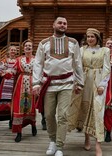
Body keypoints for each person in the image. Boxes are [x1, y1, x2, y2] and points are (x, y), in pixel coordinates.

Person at [32, 17, 84, 156]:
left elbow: (78, 63)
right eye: (60, 23)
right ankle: (52, 141)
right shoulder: (44, 43)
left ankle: (60, 146)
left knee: (63, 116)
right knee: (48, 115)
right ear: (53, 24)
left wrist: (79, 82)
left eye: (65, 23)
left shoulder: (73, 43)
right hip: (48, 85)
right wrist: (36, 83)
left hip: (67, 84)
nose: (62, 25)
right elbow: (38, 63)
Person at [76, 28, 110, 156]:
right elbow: (77, 67)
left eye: (92, 36)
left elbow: (107, 68)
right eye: (88, 36)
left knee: (98, 112)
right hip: (85, 82)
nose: (90, 39)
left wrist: (102, 85)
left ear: (97, 38)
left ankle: (98, 144)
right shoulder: (82, 50)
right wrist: (78, 83)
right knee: (85, 109)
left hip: (98, 83)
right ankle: (86, 137)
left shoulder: (104, 51)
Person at [12, 39, 37, 142]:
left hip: (32, 83)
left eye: (30, 46)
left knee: (30, 106)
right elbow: (13, 70)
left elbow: (40, 71)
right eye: (26, 45)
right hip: (20, 82)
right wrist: (8, 72)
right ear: (23, 48)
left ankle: (33, 125)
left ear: (32, 48)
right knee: (19, 106)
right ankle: (19, 132)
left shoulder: (36, 59)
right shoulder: (18, 59)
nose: (28, 47)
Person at [0, 46, 17, 130]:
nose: (13, 51)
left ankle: (11, 122)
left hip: (13, 83)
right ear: (8, 51)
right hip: (4, 83)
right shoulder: (4, 61)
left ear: (16, 52)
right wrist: (4, 73)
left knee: (12, 103)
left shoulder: (18, 61)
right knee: (0, 102)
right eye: (11, 50)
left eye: (14, 50)